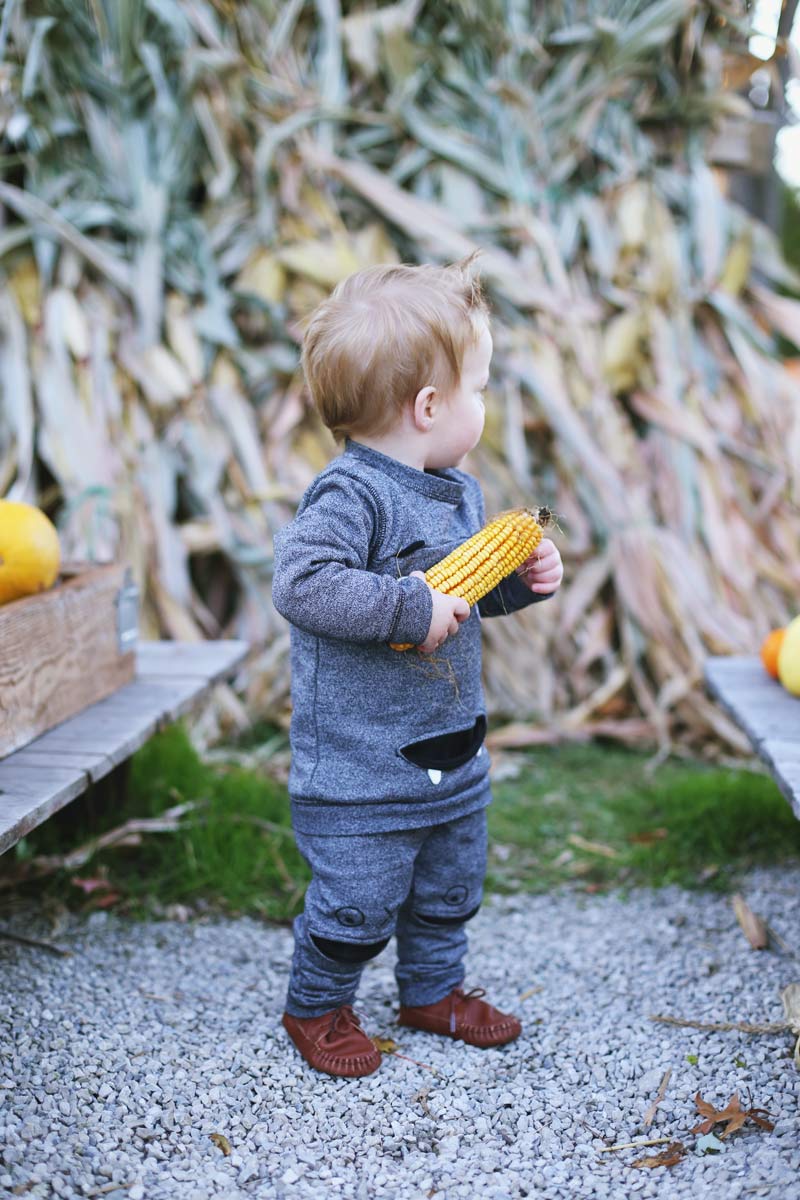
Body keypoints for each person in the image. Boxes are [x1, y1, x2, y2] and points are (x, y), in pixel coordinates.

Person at [271, 259, 563, 1077]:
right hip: (362, 772)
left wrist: (520, 582)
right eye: (480, 388)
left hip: (451, 752)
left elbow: (462, 597)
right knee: (357, 903)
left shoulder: (457, 490)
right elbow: (303, 583)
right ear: (430, 407)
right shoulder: (350, 495)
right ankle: (318, 1006)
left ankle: (432, 992)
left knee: (448, 890)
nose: (485, 405)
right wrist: (408, 607)